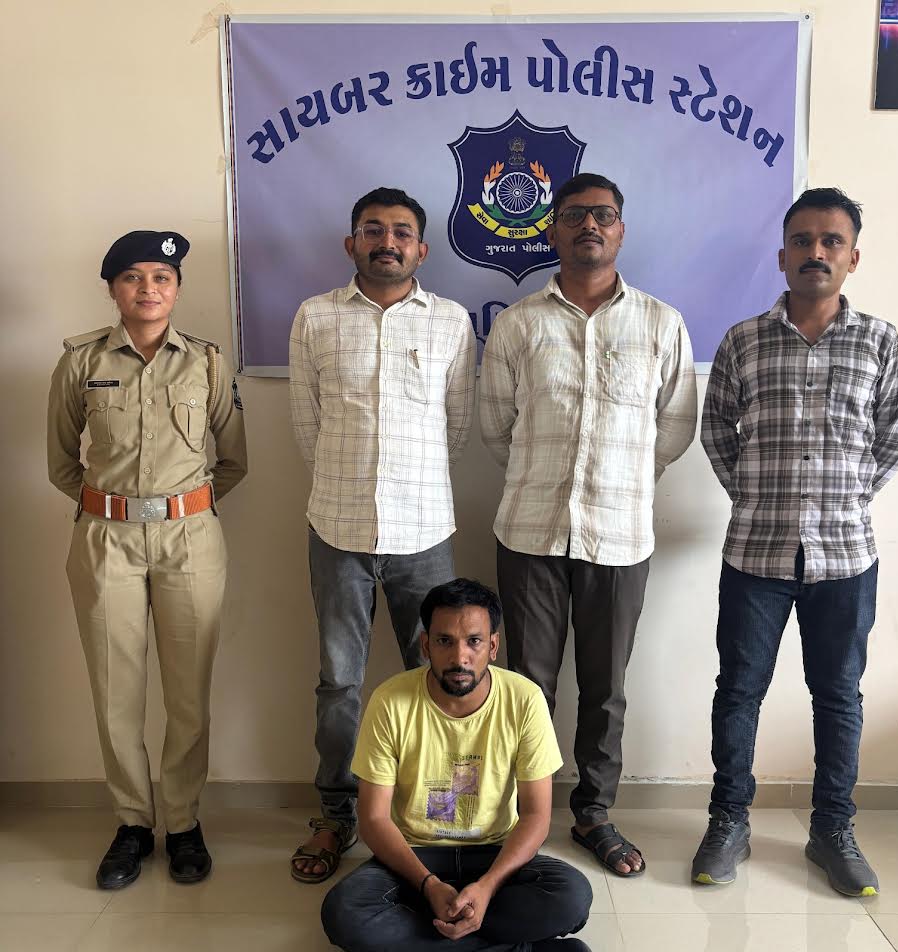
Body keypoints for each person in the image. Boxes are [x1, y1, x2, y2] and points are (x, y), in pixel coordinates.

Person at [694, 187, 898, 896]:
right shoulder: (742, 340)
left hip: (845, 556)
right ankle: (728, 821)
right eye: (802, 240)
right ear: (782, 254)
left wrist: (847, 497)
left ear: (852, 257)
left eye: (830, 241)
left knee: (838, 696)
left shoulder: (880, 342)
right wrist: (752, 494)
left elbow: (897, 433)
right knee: (739, 691)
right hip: (754, 553)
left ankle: (832, 831)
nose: (815, 252)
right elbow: (715, 428)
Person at [480, 172, 697, 877]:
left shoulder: (661, 323)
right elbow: (495, 425)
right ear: (552, 230)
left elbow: (674, 426)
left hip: (620, 534)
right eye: (574, 215)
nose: (589, 226)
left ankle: (594, 812)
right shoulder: (518, 324)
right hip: (530, 532)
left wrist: (626, 476)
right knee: (526, 685)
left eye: (603, 215)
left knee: (604, 687)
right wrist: (540, 471)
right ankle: (527, 812)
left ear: (620, 229)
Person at [47, 230, 248, 888]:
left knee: (188, 693)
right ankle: (132, 823)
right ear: (113, 288)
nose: (148, 288)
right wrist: (114, 509)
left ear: (178, 289)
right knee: (115, 691)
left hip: (190, 541)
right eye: (133, 277)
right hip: (106, 541)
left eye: (162, 277)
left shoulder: (208, 363)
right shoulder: (80, 361)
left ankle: (184, 822)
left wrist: (180, 509)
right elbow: (59, 462)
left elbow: (233, 459)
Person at [288, 187, 476, 882]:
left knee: (441, 676)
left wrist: (409, 488)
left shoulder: (451, 321)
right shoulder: (314, 317)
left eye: (401, 232)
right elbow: (306, 425)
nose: (386, 242)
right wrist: (347, 486)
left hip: (423, 532)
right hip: (336, 528)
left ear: (421, 249)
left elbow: (456, 426)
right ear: (352, 243)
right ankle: (336, 814)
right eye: (372, 230)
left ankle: (431, 813)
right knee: (339, 681)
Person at [321, 578, 593, 952]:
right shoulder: (390, 701)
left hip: (495, 852)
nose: (459, 656)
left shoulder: (524, 699)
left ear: (493, 646)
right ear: (426, 645)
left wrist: (487, 887)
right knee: (343, 913)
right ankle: (513, 946)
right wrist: (429, 885)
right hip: (414, 856)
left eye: (474, 641)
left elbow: (536, 815)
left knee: (572, 896)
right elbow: (374, 819)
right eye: (445, 641)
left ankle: (435, 934)